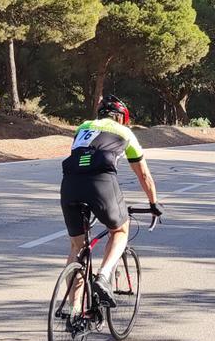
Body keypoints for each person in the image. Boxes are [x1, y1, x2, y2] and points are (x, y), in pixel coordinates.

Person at [60, 95, 163, 307]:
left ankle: (74, 312)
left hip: (70, 184)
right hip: (101, 182)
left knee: (77, 248)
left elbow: (82, 158)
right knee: (120, 230)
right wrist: (153, 204)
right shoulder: (125, 132)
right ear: (119, 117)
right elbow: (144, 175)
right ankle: (104, 277)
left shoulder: (82, 127)